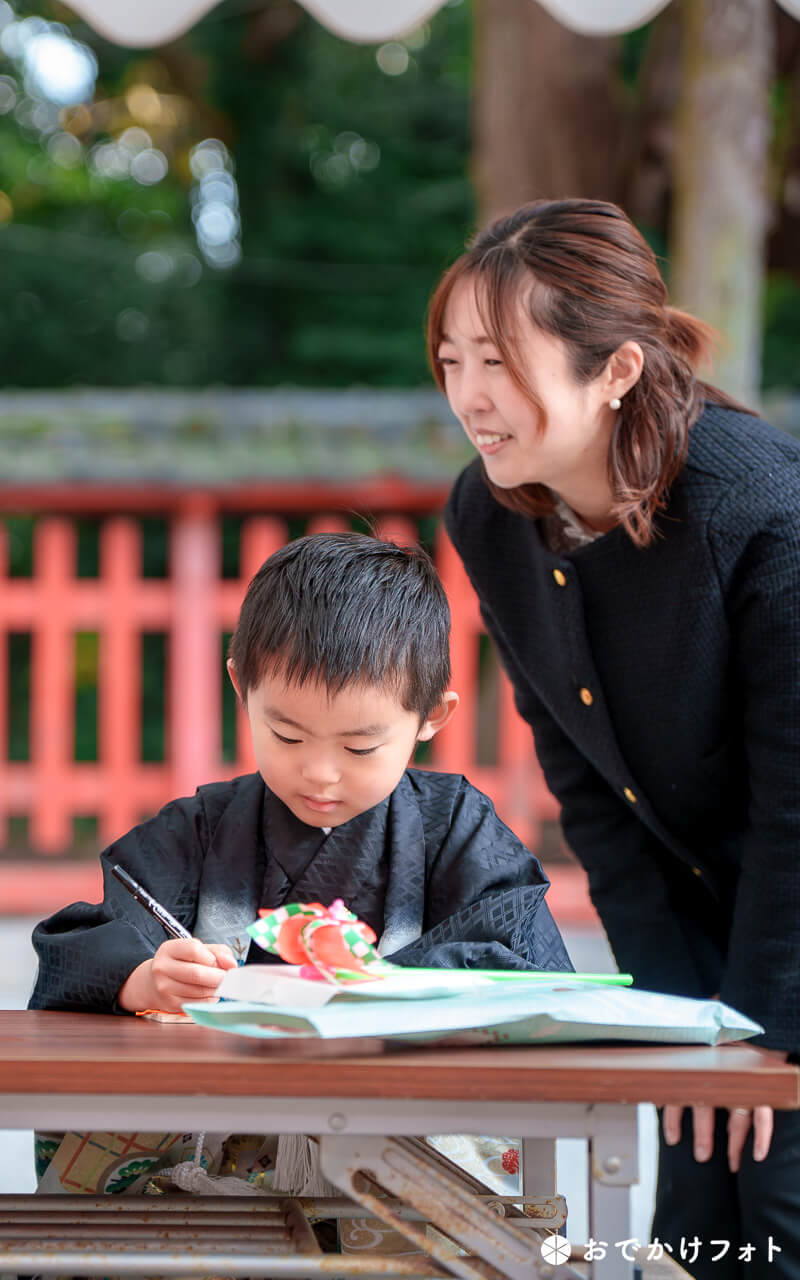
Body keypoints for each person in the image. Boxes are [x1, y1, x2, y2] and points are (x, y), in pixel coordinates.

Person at [434, 197, 800, 1276]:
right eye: (452, 358)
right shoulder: (488, 515)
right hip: (702, 929)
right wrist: (682, 1022)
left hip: (789, 921)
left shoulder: (761, 508)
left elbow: (796, 804)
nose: (468, 395)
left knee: (774, 1205)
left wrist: (758, 1030)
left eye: (498, 360)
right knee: (693, 1220)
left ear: (617, 369)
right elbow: (586, 785)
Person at [29, 532, 571, 1203]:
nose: (319, 772)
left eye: (360, 745)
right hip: (216, 1144)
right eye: (286, 735)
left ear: (432, 715)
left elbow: (527, 970)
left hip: (398, 1129)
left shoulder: (454, 828)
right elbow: (90, 947)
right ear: (241, 684)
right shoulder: (200, 831)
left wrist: (382, 991)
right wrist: (143, 980)